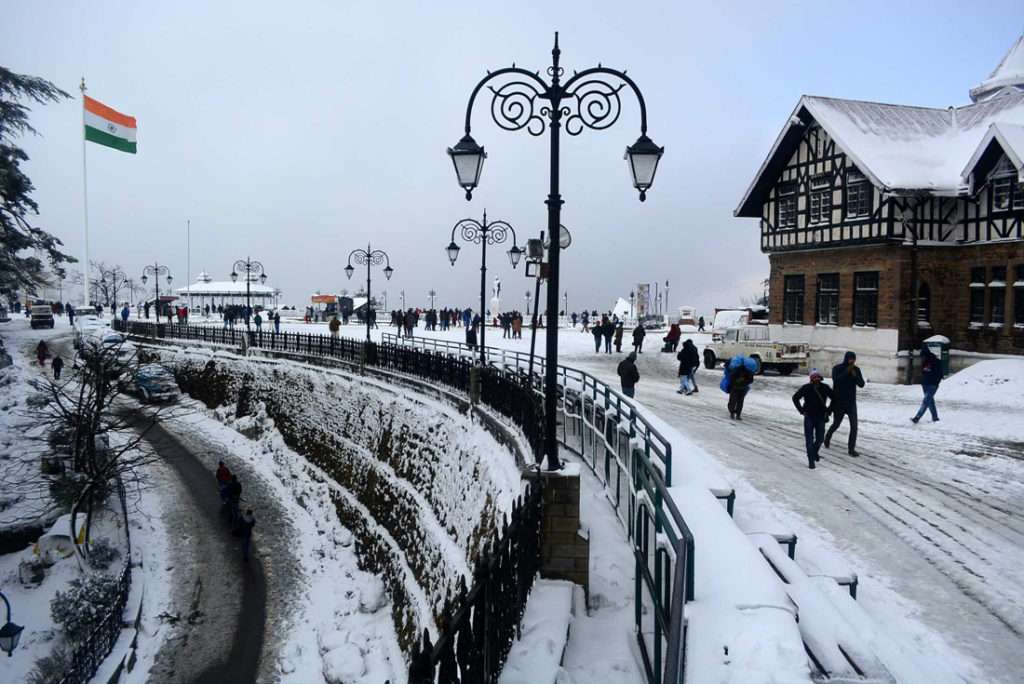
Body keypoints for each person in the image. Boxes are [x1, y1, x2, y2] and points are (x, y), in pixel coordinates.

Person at [824, 351, 865, 457]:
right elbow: (836, 381)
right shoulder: (837, 368)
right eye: (850, 358)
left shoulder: (856, 369)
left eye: (853, 359)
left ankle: (851, 449)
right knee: (836, 424)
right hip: (839, 402)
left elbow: (861, 384)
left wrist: (855, 376)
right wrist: (846, 372)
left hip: (851, 403)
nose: (852, 361)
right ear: (846, 358)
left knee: (854, 427)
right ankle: (827, 437)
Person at [793, 369, 833, 469]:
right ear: (811, 378)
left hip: (821, 417)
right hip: (809, 416)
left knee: (820, 439)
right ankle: (811, 460)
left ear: (820, 377)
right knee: (809, 440)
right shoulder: (806, 388)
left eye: (818, 376)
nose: (816, 378)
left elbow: (834, 398)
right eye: (814, 377)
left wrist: (829, 409)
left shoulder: (825, 387)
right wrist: (801, 410)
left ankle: (814, 452)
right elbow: (795, 398)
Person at [912, 347, 943, 423]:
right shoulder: (925, 362)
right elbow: (923, 372)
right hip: (926, 383)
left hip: (932, 384)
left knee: (926, 401)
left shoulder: (936, 362)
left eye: (922, 356)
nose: (921, 358)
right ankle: (935, 417)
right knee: (930, 401)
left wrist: (935, 382)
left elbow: (940, 374)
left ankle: (917, 417)